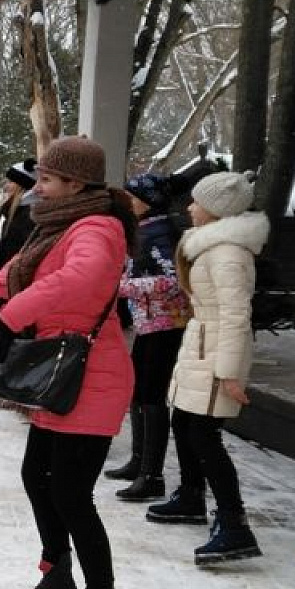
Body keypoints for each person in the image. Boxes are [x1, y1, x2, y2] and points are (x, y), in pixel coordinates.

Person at [0, 136, 137, 589]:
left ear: (75, 183)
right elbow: (27, 267)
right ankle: (57, 578)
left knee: (73, 497)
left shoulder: (98, 227)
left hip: (89, 377)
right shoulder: (60, 224)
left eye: (48, 179)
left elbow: (83, 276)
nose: (39, 187)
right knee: (38, 477)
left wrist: (16, 311)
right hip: (60, 373)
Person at [147, 171, 268, 566]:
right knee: (184, 422)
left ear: (217, 209)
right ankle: (191, 495)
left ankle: (234, 524)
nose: (189, 207)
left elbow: (236, 316)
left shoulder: (228, 253)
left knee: (204, 435)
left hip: (217, 351)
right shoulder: (209, 246)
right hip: (201, 344)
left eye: (197, 202)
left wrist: (229, 372)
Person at [105, 173, 190, 502]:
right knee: (138, 391)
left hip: (166, 323)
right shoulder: (144, 229)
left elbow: (174, 281)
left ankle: (152, 474)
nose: (127, 202)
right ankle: (139, 462)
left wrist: (124, 287)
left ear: (148, 201)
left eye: (132, 197)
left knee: (151, 395)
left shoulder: (162, 232)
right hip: (148, 323)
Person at [0, 159, 37, 376]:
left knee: (12, 326)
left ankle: (11, 370)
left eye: (11, 182)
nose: (6, 186)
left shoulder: (29, 213)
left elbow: (23, 250)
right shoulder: (13, 210)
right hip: (6, 275)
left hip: (16, 278)